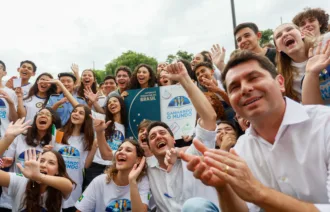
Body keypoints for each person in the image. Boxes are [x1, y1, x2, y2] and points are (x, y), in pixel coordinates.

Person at [182, 50, 330, 212]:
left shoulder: (324, 124)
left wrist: (258, 193)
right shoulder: (241, 150)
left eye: (254, 78)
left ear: (280, 82)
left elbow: (257, 195)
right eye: (234, 87)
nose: (245, 89)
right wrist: (223, 188)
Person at [145, 62, 220, 211]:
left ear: (173, 140)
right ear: (149, 148)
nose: (158, 137)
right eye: (152, 136)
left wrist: (184, 79)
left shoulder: (193, 155)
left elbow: (210, 118)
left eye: (162, 133)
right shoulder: (146, 169)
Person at [0, 108, 61, 211]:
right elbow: (8, 157)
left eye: (47, 114)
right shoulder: (20, 136)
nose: (43, 115)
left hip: (39, 196)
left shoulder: (55, 141)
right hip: (14, 190)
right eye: (40, 113)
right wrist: (8, 158)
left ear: (52, 121)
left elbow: (60, 174)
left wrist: (47, 153)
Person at [75, 139, 149, 212]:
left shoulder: (143, 181)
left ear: (138, 160)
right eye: (119, 149)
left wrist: (132, 182)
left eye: (128, 150)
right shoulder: (99, 181)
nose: (121, 152)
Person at [53, 104, 97, 212]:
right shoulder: (59, 133)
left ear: (86, 119)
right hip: (55, 181)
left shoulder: (87, 139)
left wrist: (94, 148)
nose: (76, 114)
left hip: (74, 186)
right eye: (74, 111)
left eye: (80, 113)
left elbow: (85, 165)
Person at [274, 23, 330, 102]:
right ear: (277, 49)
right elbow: (311, 109)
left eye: (289, 29)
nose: (285, 34)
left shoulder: (325, 43)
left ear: (302, 34)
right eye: (279, 36)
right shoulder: (282, 75)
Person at [84, 95, 127, 188]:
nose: (112, 104)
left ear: (121, 105)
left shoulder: (127, 126)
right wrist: (92, 103)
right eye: (109, 103)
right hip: (96, 166)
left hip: (114, 167)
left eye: (115, 101)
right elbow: (81, 109)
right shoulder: (102, 118)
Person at [0, 61, 18, 137]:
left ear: (4, 73)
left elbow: (14, 120)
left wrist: (11, 103)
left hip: (4, 138)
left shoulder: (11, 93)